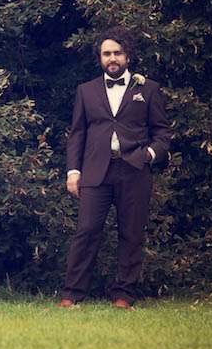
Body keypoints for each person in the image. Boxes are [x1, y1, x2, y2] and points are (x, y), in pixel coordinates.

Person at [59, 27, 171, 310]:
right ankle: (72, 294)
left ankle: (124, 295)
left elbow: (162, 133)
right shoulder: (85, 91)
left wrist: (149, 154)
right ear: (100, 58)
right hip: (95, 171)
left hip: (134, 169)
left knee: (131, 234)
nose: (112, 58)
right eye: (106, 53)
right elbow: (77, 134)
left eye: (117, 53)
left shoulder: (148, 89)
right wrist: (73, 171)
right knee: (86, 231)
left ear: (127, 56)